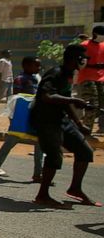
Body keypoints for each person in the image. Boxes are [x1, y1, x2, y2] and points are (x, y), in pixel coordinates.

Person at [30, 44, 98, 207]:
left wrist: (79, 123)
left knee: (85, 151)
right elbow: (47, 96)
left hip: (61, 120)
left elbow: (66, 102)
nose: (85, 62)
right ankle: (42, 195)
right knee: (54, 157)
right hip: (46, 121)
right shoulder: (55, 73)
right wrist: (74, 100)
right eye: (84, 58)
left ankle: (75, 188)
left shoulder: (69, 75)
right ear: (76, 59)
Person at [0, 57, 44, 181]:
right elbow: (16, 98)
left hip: (34, 114)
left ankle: (38, 173)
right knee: (12, 140)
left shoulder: (36, 78)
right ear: (27, 66)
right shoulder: (20, 79)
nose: (39, 68)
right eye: (36, 66)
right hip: (21, 116)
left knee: (40, 142)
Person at [78, 25, 104, 134]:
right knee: (92, 104)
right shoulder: (84, 45)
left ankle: (98, 127)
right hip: (87, 77)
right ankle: (86, 130)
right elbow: (79, 62)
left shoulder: (103, 45)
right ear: (95, 34)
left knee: (101, 105)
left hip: (101, 78)